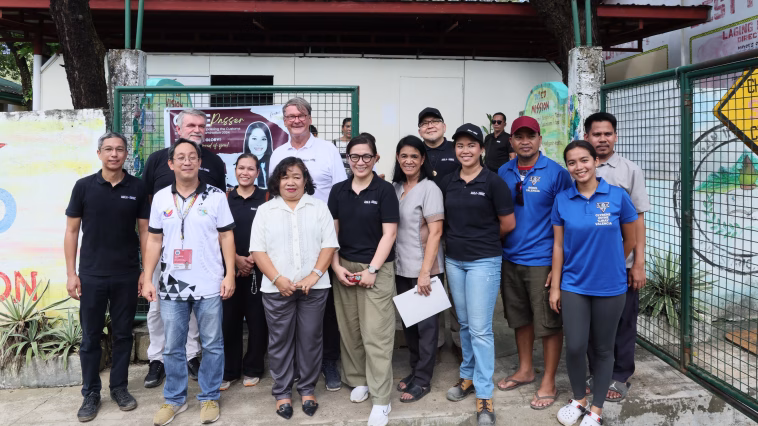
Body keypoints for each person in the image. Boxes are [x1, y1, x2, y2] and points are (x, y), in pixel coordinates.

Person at [141, 138, 237, 426]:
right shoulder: (161, 198)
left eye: (192, 157)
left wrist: (230, 274)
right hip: (171, 283)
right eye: (180, 157)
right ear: (171, 164)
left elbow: (226, 236)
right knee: (173, 345)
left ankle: (209, 397)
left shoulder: (216, 196)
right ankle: (174, 399)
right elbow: (153, 240)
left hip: (209, 282)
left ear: (199, 162)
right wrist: (147, 277)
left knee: (212, 344)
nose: (186, 161)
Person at [550, 140, 637, 426]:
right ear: (568, 167)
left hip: (610, 287)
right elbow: (558, 246)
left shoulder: (617, 196)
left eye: (584, 160)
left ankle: (596, 410)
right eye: (572, 162)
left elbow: (630, 238)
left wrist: (611, 264)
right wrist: (555, 286)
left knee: (603, 349)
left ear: (595, 161)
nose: (579, 167)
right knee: (575, 346)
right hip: (574, 284)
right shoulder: (563, 199)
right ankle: (579, 399)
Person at [64, 132, 149, 422]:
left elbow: (145, 232)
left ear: (126, 154)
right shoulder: (83, 186)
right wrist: (71, 274)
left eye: (120, 149)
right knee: (90, 337)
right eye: (109, 149)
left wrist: (145, 272)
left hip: (127, 274)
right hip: (91, 275)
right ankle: (90, 393)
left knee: (123, 334)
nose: (114, 154)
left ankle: (119, 388)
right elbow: (71, 231)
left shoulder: (137, 187)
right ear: (99, 153)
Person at [250, 157, 339, 420]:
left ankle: (308, 389)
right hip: (277, 289)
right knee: (280, 341)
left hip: (315, 288)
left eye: (297, 176)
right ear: (277, 181)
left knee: (311, 339)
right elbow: (257, 250)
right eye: (285, 176)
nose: (291, 182)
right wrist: (277, 278)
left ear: (305, 180)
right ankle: (282, 392)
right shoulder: (266, 210)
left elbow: (329, 244)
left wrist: (314, 275)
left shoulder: (318, 207)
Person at [269, 97, 347, 391]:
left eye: (301, 115)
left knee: (325, 308)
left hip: (323, 238)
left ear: (310, 118)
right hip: (288, 240)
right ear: (284, 121)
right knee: (291, 303)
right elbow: (274, 195)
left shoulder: (327, 150)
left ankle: (328, 361)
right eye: (291, 116)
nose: (296, 120)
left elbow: (340, 192)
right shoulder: (278, 154)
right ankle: (294, 368)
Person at [495, 116, 572, 410]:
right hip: (510, 257)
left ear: (540, 139)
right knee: (520, 318)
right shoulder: (504, 172)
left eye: (531, 136)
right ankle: (526, 369)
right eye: (519, 136)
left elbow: (565, 221)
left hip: (542, 260)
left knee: (548, 323)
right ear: (511, 141)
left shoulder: (557, 174)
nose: (525, 141)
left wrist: (558, 268)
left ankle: (549, 380)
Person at [442, 124, 515, 426]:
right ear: (455, 149)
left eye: (471, 145)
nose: (465, 150)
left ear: (481, 149)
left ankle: (484, 394)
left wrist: (482, 242)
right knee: (464, 323)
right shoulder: (448, 181)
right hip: (454, 261)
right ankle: (468, 376)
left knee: (481, 330)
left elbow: (508, 224)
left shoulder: (493, 181)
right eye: (460, 145)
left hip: (484, 262)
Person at [329, 133, 399, 426]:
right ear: (347, 159)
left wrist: (372, 269)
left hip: (376, 268)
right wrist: (335, 267)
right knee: (351, 330)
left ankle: (381, 399)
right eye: (354, 156)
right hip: (344, 266)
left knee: (377, 334)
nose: (360, 162)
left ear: (375, 158)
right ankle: (359, 379)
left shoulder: (384, 190)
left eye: (366, 156)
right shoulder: (338, 191)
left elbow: (390, 234)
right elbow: (331, 234)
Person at [584, 112, 651, 402]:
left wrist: (638, 264)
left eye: (607, 134)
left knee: (623, 321)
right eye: (596, 134)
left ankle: (620, 375)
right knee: (591, 323)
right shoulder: (578, 167)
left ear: (615, 136)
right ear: (586, 136)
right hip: (587, 265)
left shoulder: (629, 171)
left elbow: (638, 220)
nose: (602, 139)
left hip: (621, 264)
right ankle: (596, 372)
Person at [391, 136, 445, 403]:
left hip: (425, 269)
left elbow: (436, 232)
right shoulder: (395, 188)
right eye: (404, 156)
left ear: (423, 159)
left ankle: (423, 380)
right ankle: (415, 370)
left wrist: (425, 273)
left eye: (414, 156)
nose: (409, 161)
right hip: (402, 267)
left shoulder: (430, 188)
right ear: (397, 158)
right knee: (410, 326)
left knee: (426, 328)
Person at [220, 154, 269, 391]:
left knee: (258, 321)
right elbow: (216, 233)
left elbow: (273, 232)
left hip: (260, 270)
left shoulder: (267, 198)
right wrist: (237, 260)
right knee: (229, 321)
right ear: (235, 170)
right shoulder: (224, 199)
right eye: (241, 168)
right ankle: (229, 371)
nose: (245, 172)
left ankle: (253, 368)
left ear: (258, 173)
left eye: (251, 169)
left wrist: (252, 259)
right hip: (229, 270)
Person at [417, 107, 459, 187]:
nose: (430, 126)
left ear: (444, 127)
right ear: (420, 132)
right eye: (424, 123)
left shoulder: (457, 149)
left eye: (435, 121)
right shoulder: (415, 151)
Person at [242, 121, 273, 189]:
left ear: (268, 141)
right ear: (247, 140)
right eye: (254, 138)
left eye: (263, 139)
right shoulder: (239, 166)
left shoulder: (274, 163)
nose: (259, 143)